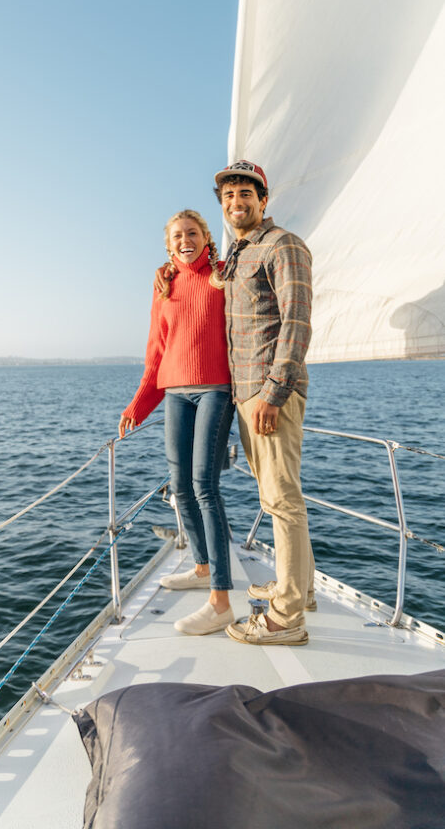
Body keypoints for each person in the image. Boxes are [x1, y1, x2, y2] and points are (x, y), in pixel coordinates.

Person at [119, 209, 235, 636]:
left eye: (192, 233)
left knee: (206, 485)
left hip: (215, 390)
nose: (185, 240)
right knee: (181, 486)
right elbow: (156, 351)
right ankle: (202, 567)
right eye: (177, 236)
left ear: (206, 237)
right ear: (168, 245)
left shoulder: (224, 273)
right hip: (174, 392)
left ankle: (221, 601)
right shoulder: (164, 285)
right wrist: (137, 405)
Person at [213, 160, 315, 646]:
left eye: (245, 194)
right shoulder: (239, 253)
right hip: (247, 394)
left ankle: (286, 618)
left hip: (267, 393)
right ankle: (299, 590)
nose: (237, 202)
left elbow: (296, 324)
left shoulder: (282, 246)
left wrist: (272, 395)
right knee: (275, 498)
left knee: (282, 500)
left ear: (264, 199)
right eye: (229, 195)